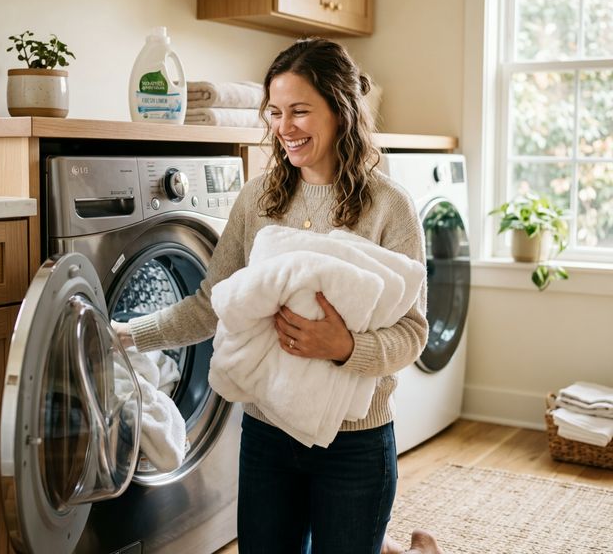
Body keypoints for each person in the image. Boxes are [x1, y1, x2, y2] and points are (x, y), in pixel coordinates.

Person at [114, 37, 430, 553]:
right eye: (276, 112)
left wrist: (346, 348)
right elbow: (211, 305)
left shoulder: (389, 207)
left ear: (341, 110)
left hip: (355, 440)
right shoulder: (257, 199)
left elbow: (413, 331)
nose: (285, 128)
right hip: (268, 435)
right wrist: (127, 335)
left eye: (300, 111)